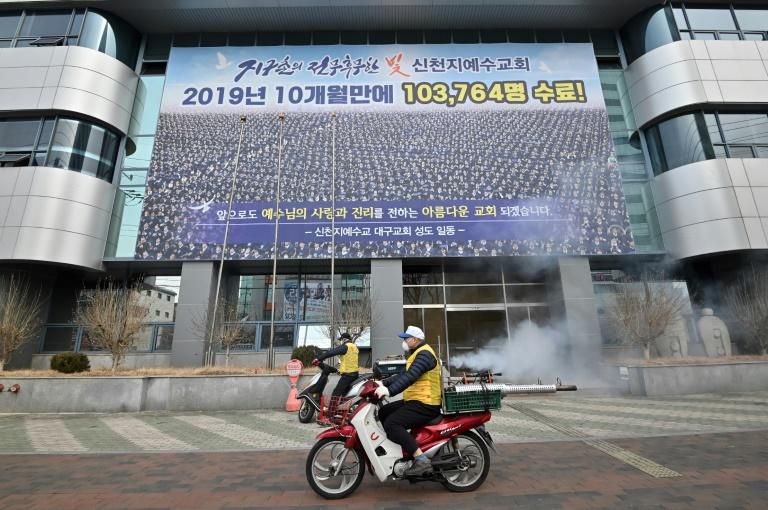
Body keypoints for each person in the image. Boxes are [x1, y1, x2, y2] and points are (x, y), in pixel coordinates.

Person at [374, 325, 442, 477]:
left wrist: (389, 391)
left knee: (392, 423)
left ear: (416, 339)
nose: (404, 341)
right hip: (416, 400)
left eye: (406, 338)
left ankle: (421, 459)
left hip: (426, 403)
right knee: (384, 411)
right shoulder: (417, 353)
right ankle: (401, 448)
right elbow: (402, 375)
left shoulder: (424, 354)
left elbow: (410, 377)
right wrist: (383, 383)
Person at [312, 332, 359, 401]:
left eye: (341, 340)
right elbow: (350, 361)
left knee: (335, 394)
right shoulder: (354, 347)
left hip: (347, 376)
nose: (341, 341)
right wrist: (338, 370)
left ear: (344, 339)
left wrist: (318, 358)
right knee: (345, 394)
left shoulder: (345, 346)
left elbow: (331, 352)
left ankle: (331, 411)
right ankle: (343, 409)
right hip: (354, 374)